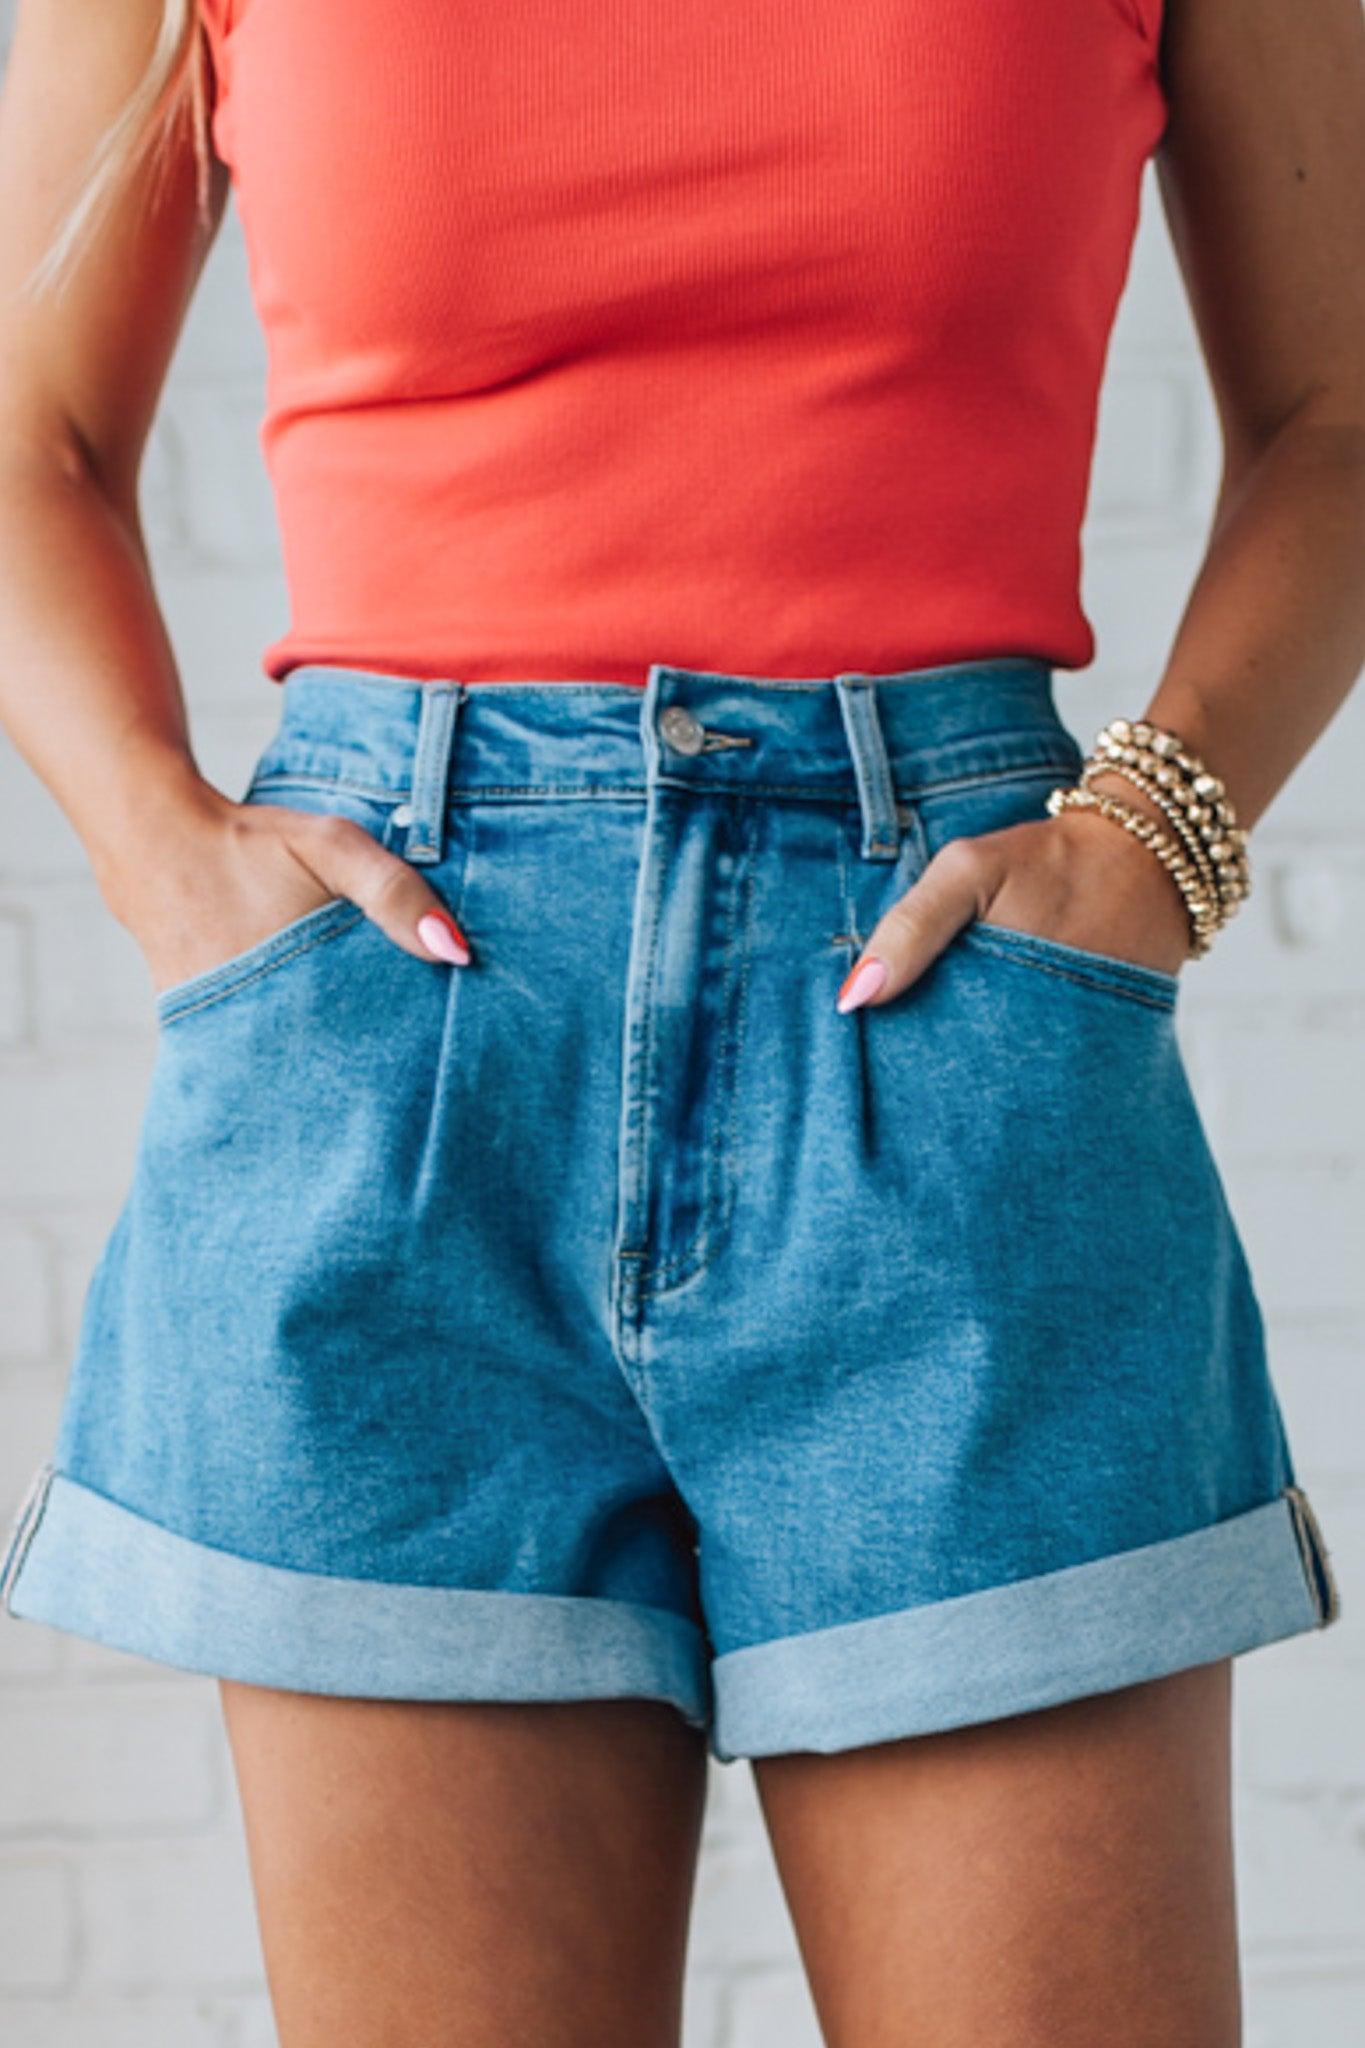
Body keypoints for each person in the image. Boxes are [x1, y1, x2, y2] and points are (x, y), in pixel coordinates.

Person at [0, 0, 1360, 2041]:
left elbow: (1340, 410)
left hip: (947, 1029)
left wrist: (1151, 847)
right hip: (399, 1052)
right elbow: (28, 424)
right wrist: (167, 862)